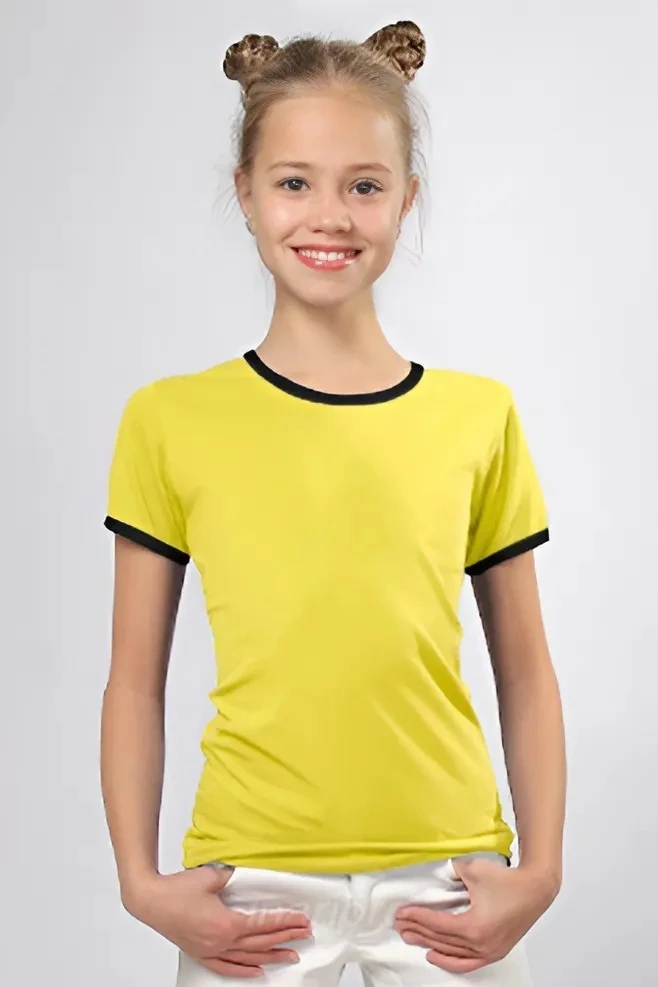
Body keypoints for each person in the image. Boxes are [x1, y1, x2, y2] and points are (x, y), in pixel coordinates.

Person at [100, 19, 566, 987]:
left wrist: (543, 871)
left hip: (451, 882)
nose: (330, 216)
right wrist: (139, 882)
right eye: (293, 182)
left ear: (407, 198)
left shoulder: (478, 416)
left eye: (364, 185)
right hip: (250, 890)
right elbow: (133, 680)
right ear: (245, 192)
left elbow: (525, 669)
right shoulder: (168, 420)